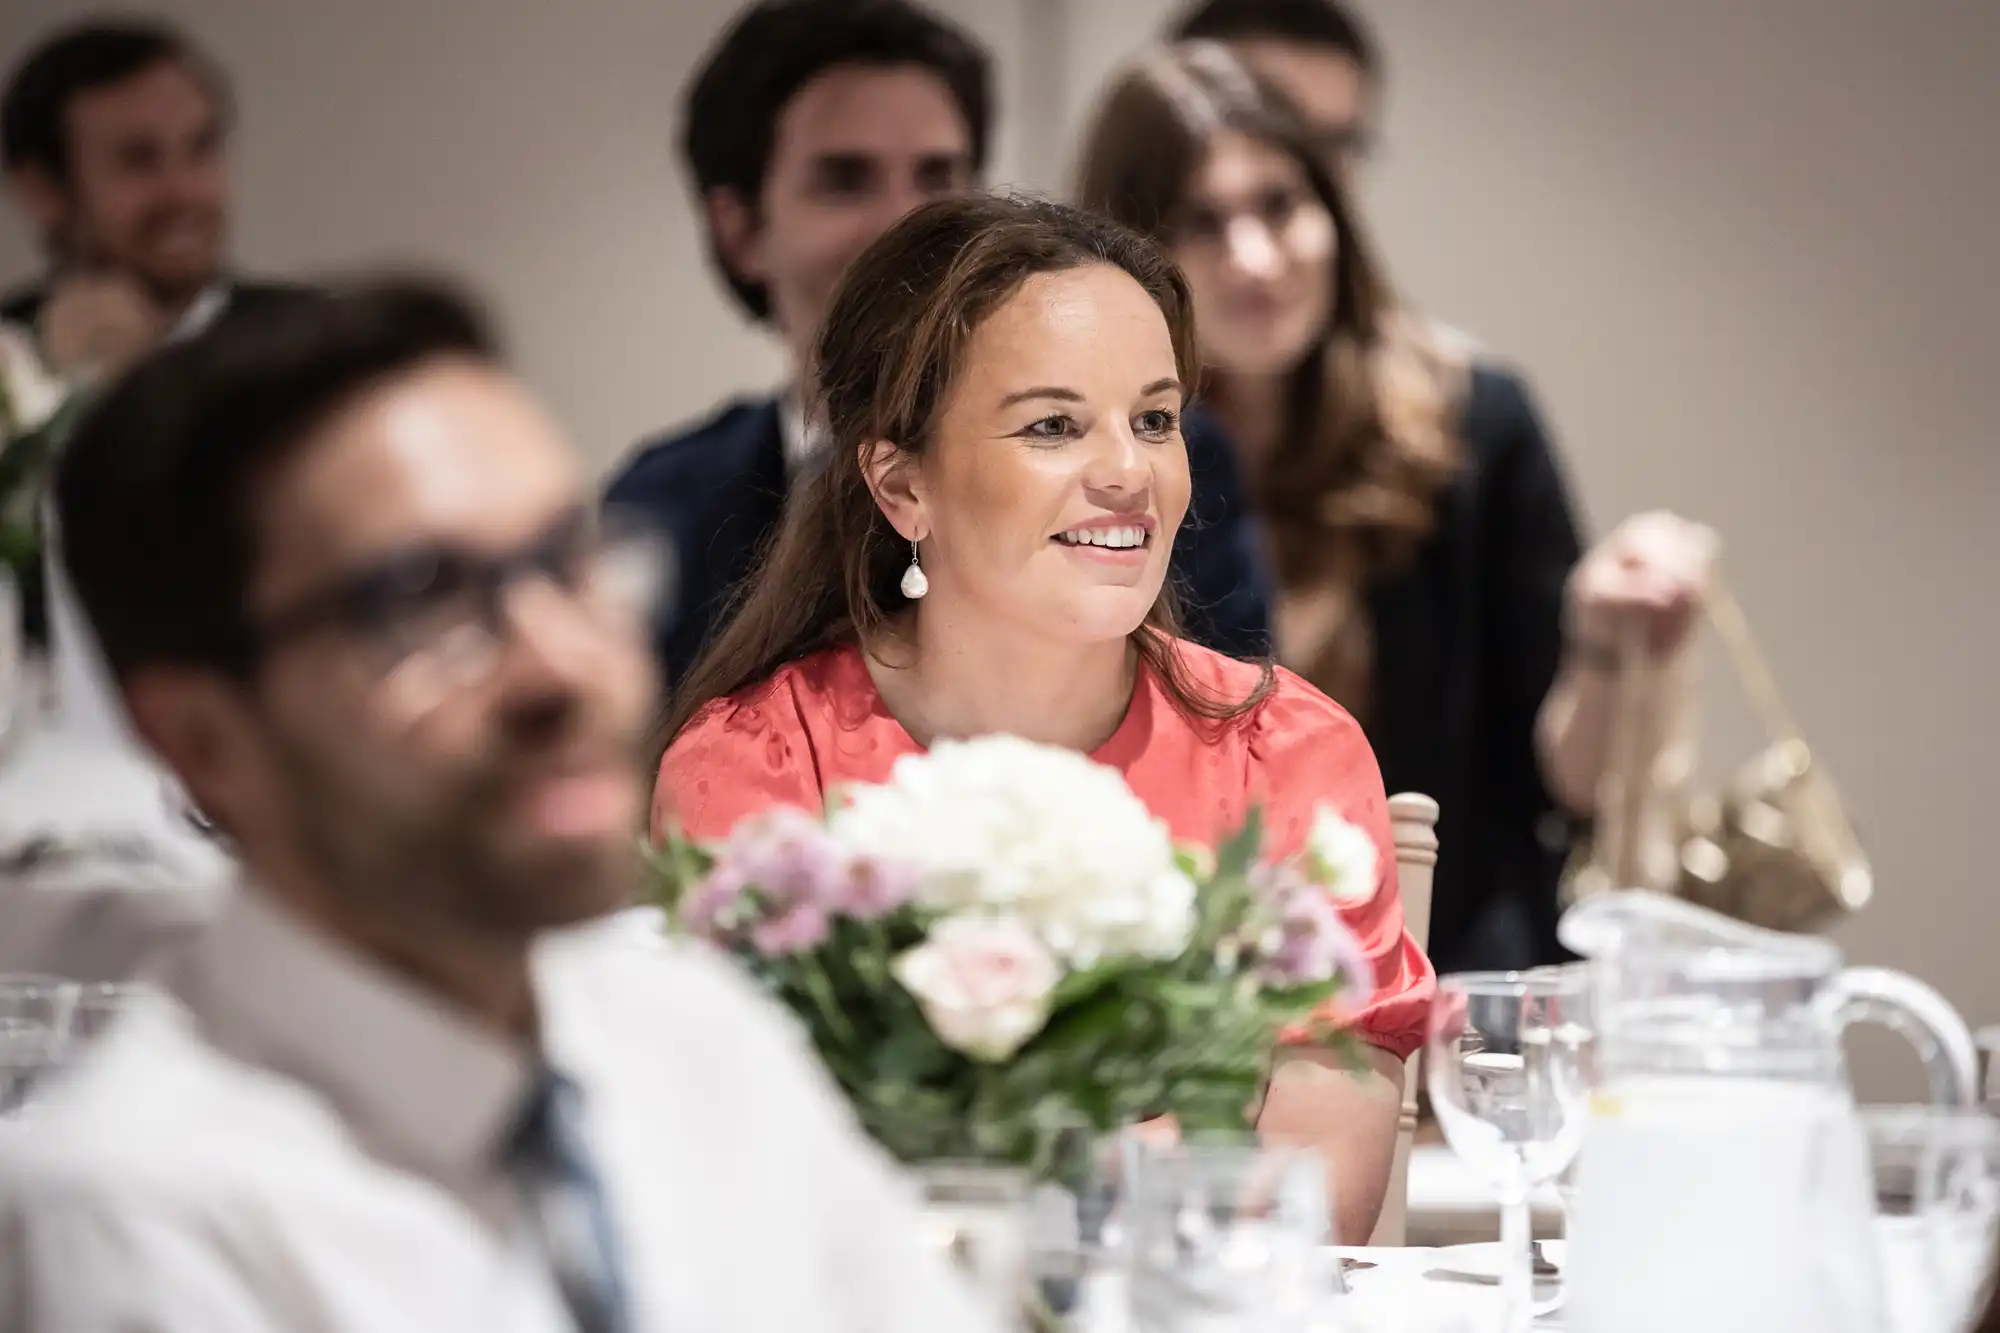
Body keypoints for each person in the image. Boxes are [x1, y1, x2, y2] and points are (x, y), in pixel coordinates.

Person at [0, 280, 992, 1332]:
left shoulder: (691, 1038)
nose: (562, 665)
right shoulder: (138, 1209)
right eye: (426, 602)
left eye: (569, 561)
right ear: (202, 739)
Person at [653, 193, 1434, 1244]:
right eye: (1053, 426)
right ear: (899, 484)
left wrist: (967, 1176)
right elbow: (749, 1183)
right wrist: (1168, 1146)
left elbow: (1310, 1188)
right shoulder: (759, 763)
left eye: (1153, 418)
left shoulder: (1285, 753)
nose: (1127, 472)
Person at [1075, 44, 1713, 973]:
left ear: (1332, 210)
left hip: (1456, 969)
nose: (1254, 258)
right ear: (1132, 252)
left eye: (1279, 204)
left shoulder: (1472, 425)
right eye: (1199, 222)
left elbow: (1566, 786)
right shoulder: (1100, 466)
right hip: (1184, 978)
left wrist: (1604, 641)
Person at [605, 0, 1271, 687]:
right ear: (740, 229)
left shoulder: (1167, 468)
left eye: (937, 176)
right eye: (845, 179)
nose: (905, 221)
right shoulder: (666, 505)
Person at [1, 17, 312, 375]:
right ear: (42, 192)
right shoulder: (9, 358)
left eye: (201, 148)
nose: (183, 191)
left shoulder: (315, 347)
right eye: (138, 159)